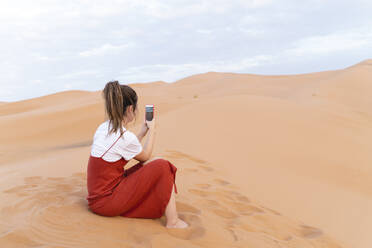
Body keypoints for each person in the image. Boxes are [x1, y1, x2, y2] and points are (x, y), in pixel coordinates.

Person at [86, 80, 188, 228]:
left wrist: (141, 133)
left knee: (156, 162)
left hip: (98, 199)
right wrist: (152, 130)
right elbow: (145, 155)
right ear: (130, 108)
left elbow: (125, 150)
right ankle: (173, 221)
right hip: (106, 202)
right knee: (163, 166)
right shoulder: (124, 136)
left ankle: (166, 210)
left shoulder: (104, 128)